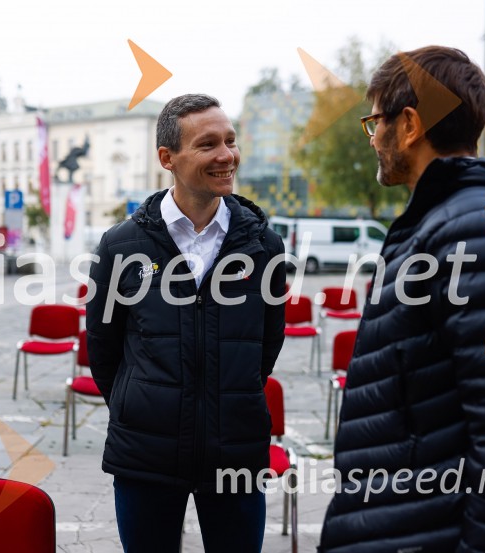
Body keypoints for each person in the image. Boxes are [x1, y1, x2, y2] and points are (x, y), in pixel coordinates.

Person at [318, 46, 485, 552]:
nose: (372, 136)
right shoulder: (445, 224)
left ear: (408, 124)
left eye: (374, 121)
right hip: (418, 520)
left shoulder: (484, 231)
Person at [86, 93, 286, 552]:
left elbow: (266, 347)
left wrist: (225, 396)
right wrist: (139, 405)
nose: (226, 156)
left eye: (231, 141)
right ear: (167, 158)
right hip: (145, 454)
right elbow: (103, 346)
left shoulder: (264, 246)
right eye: (208, 144)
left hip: (235, 451)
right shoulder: (121, 246)